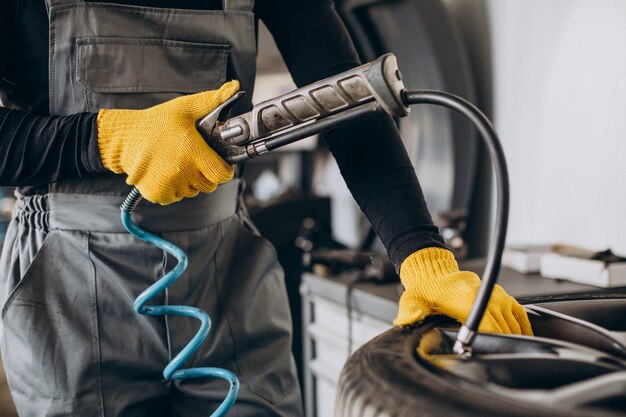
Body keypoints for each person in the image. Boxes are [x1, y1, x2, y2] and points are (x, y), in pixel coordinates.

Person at [0, 0, 533, 415]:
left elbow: (346, 102)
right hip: (70, 291)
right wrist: (106, 138)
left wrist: (421, 255)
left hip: (228, 276)